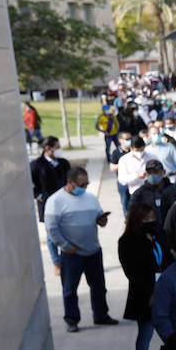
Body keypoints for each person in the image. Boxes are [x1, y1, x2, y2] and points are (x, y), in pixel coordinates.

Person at [45, 167, 118, 333]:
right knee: (70, 290)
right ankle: (72, 320)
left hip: (93, 251)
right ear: (70, 183)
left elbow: (100, 218)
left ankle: (101, 315)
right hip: (72, 254)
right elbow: (51, 228)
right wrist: (66, 246)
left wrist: (102, 220)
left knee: (99, 286)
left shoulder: (91, 198)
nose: (84, 188)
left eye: (86, 184)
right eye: (81, 184)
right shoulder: (55, 201)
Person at [119, 200, 166, 350]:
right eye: (146, 218)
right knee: (146, 333)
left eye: (153, 217)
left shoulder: (159, 235)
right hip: (144, 294)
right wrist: (151, 293)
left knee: (172, 331)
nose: (151, 221)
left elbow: (167, 259)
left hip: (166, 288)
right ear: (137, 220)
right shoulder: (127, 241)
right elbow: (132, 272)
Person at [30, 137, 71, 274]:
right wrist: (39, 195)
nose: (59, 149)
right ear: (48, 148)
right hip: (48, 205)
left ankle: (68, 259)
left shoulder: (63, 163)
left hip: (65, 203)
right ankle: (56, 262)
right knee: (51, 235)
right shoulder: (37, 165)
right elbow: (31, 184)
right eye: (57, 146)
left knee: (67, 231)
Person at [117, 136, 151, 202]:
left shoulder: (151, 157)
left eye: (141, 150)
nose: (140, 153)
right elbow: (121, 179)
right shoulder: (124, 160)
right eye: (137, 150)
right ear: (131, 148)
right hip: (134, 193)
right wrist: (136, 176)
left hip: (150, 192)